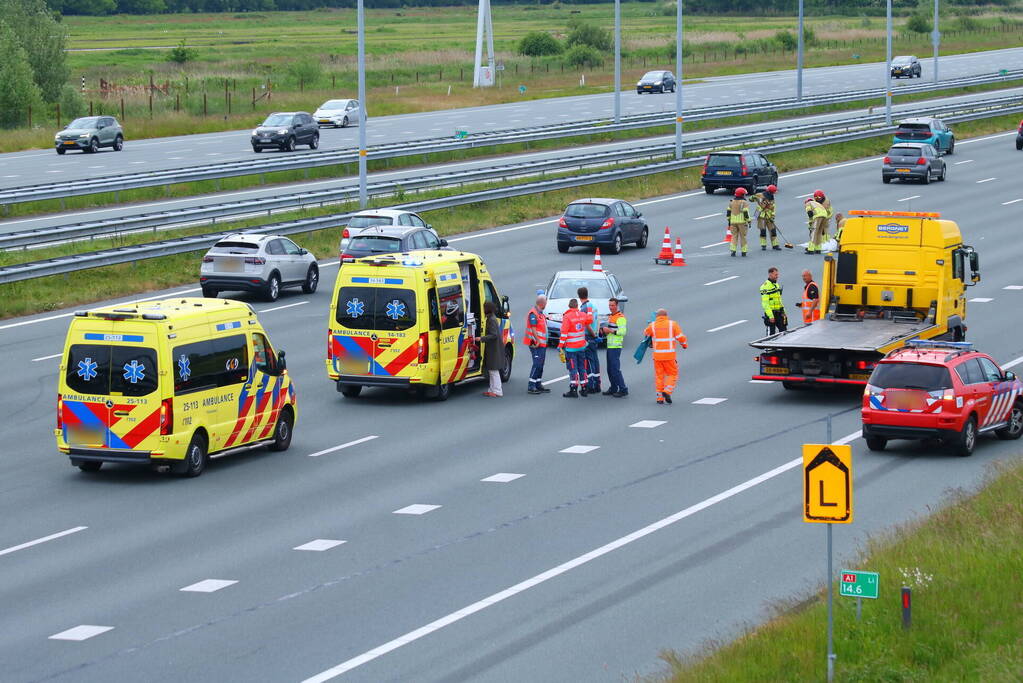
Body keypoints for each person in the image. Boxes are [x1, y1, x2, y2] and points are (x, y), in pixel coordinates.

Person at [643, 308, 687, 405]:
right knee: (672, 374)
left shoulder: (652, 325)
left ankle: (659, 398)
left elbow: (646, 333)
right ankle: (667, 391)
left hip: (657, 356)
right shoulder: (672, 324)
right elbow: (680, 337)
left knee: (659, 376)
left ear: (657, 317)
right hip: (669, 356)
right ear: (666, 316)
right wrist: (684, 345)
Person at [558, 298, 592, 398]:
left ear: (569, 306)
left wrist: (560, 346)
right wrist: (589, 309)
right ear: (577, 306)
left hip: (571, 349)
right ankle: (584, 388)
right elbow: (590, 320)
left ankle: (573, 389)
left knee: (573, 369)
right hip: (581, 347)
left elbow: (564, 333)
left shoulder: (567, 317)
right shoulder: (582, 315)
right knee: (582, 368)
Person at [600, 297, 628, 397]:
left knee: (615, 369)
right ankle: (613, 387)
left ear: (617, 305)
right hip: (610, 345)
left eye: (612, 305)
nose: (611, 307)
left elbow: (623, 332)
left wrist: (609, 331)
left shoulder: (620, 317)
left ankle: (623, 389)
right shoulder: (612, 316)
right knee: (610, 369)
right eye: (609, 305)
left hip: (615, 346)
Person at [523, 294, 550, 395]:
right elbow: (533, 329)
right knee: (537, 364)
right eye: (546, 302)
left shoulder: (540, 314)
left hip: (542, 344)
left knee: (541, 364)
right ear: (542, 303)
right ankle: (531, 385)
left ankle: (538, 383)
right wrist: (538, 340)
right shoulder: (533, 314)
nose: (546, 304)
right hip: (535, 344)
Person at [477, 301, 505, 397]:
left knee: (493, 370)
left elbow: (494, 335)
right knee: (491, 370)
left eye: (484, 307)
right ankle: (492, 389)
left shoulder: (491, 320)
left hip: (493, 349)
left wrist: (481, 338)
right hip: (493, 348)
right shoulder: (492, 318)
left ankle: (497, 390)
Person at [577, 286, 601, 394]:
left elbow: (586, 324)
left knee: (589, 362)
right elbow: (597, 320)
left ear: (579, 296)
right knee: (595, 361)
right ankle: (597, 384)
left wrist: (593, 335)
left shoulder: (584, 308)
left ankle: (591, 385)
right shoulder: (593, 306)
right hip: (594, 335)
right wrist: (596, 334)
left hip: (588, 337)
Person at [751, 184, 781, 251]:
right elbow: (751, 199)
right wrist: (755, 198)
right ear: (770, 192)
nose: (774, 193)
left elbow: (773, 207)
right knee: (763, 230)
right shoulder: (760, 195)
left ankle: (775, 245)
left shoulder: (771, 197)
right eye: (773, 192)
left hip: (769, 216)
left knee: (773, 230)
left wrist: (772, 216)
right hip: (760, 216)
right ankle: (763, 245)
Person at [760, 267, 787, 335]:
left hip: (779, 313)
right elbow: (765, 303)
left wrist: (784, 311)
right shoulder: (765, 287)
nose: (777, 276)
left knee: (784, 332)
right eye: (776, 275)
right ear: (770, 274)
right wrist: (771, 316)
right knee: (771, 335)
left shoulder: (776, 285)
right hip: (771, 313)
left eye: (777, 274)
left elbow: (779, 300)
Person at [727, 187, 752, 257]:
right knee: (743, 237)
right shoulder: (744, 203)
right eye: (744, 194)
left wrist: (729, 221)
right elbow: (746, 212)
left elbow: (728, 213)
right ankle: (743, 251)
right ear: (742, 195)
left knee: (734, 236)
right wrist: (749, 221)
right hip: (742, 222)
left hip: (733, 222)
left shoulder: (731, 202)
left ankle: (733, 251)